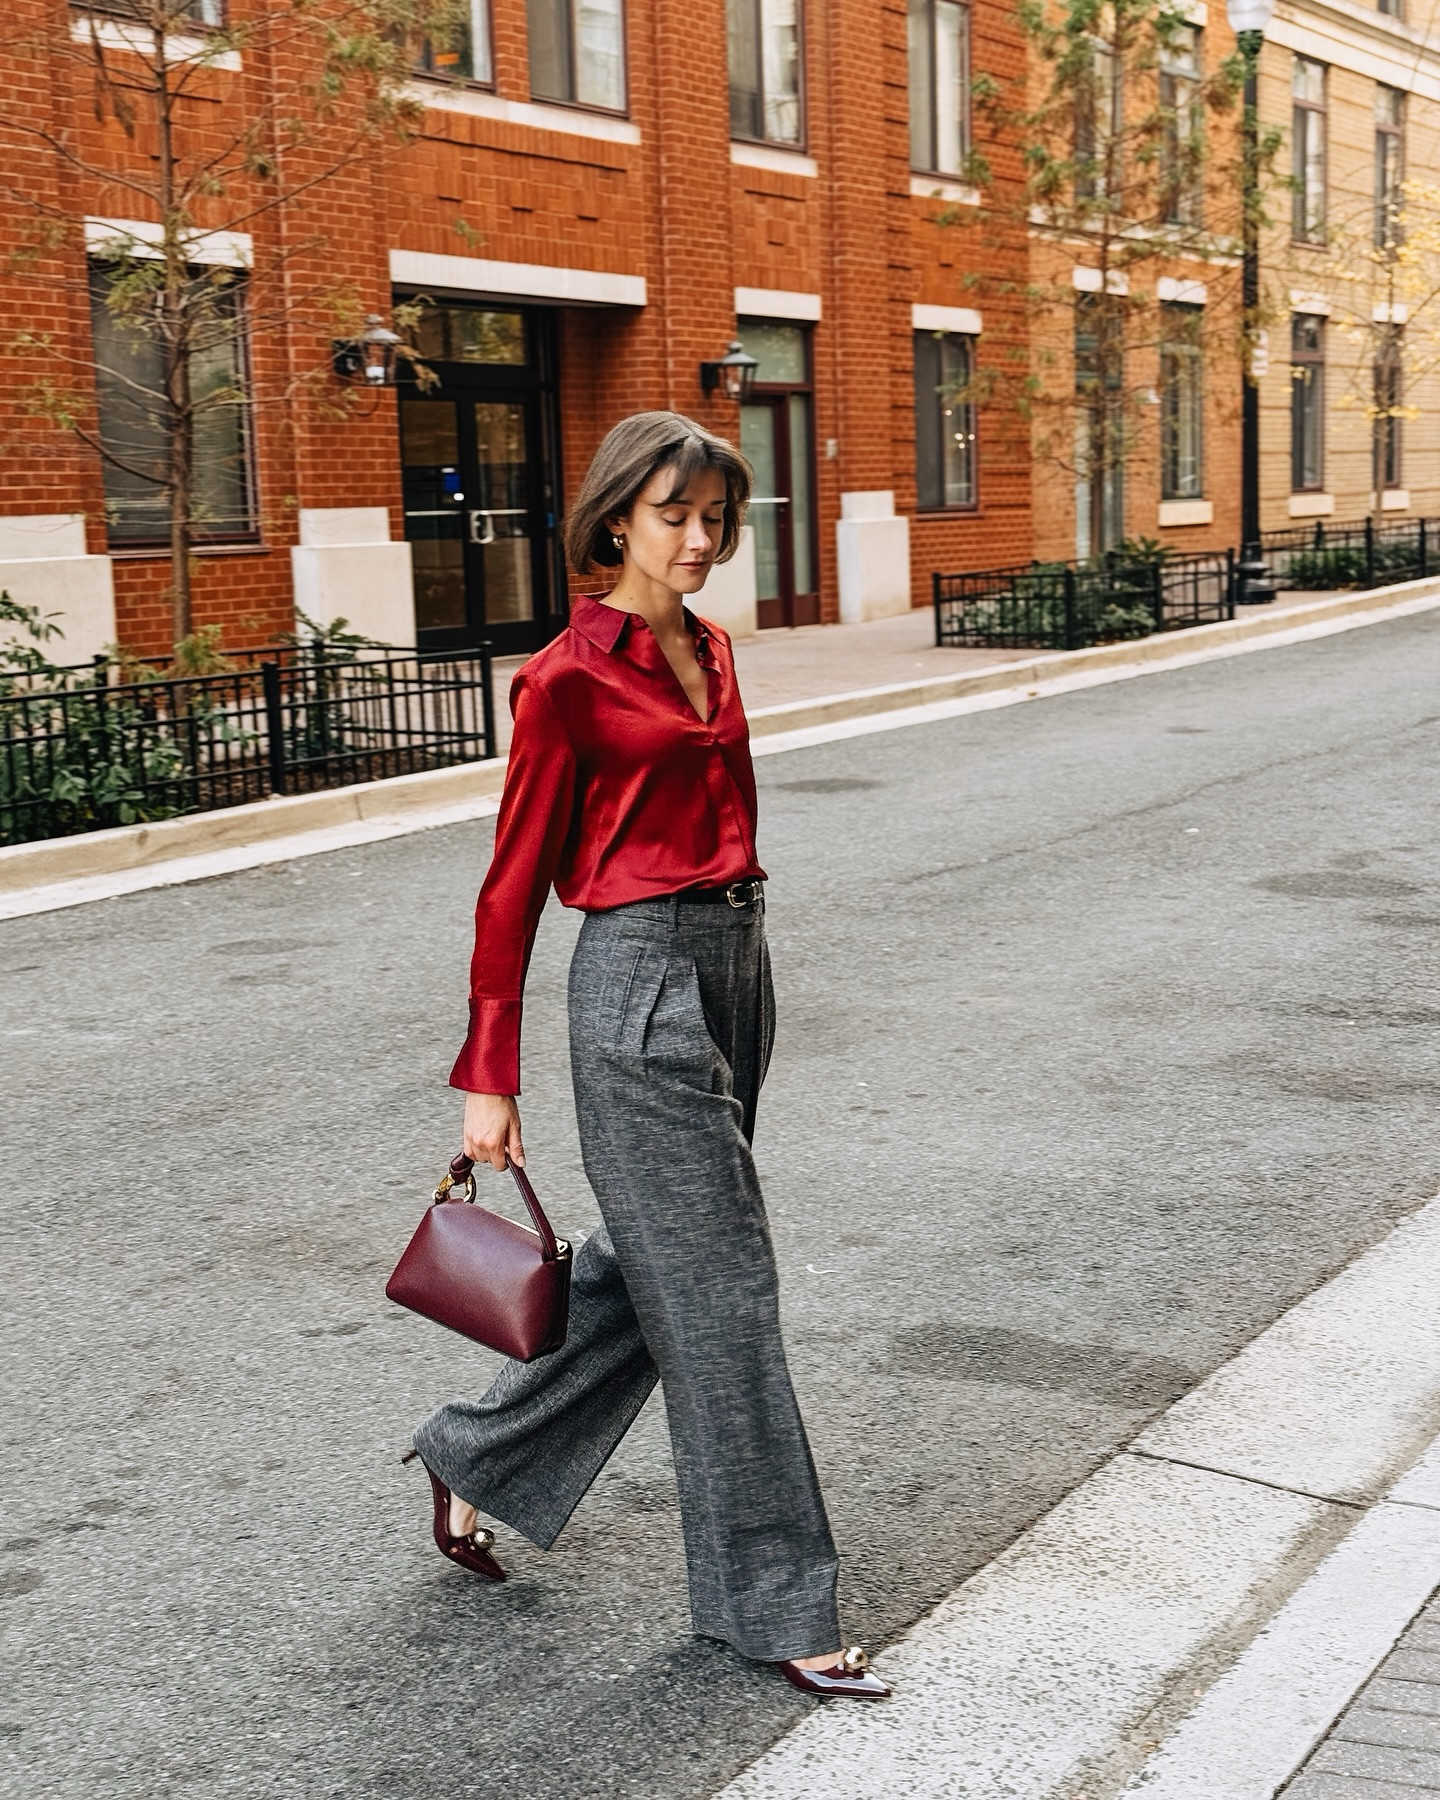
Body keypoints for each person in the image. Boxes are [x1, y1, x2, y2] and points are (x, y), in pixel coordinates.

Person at [405, 410, 889, 1701]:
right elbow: (510, 885)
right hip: (635, 980)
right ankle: (775, 1602)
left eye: (717, 518)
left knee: (661, 1263)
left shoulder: (714, 648)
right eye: (675, 513)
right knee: (723, 1292)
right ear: (618, 515)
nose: (701, 538)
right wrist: (487, 1073)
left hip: (739, 962)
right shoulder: (565, 676)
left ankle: (478, 1451)